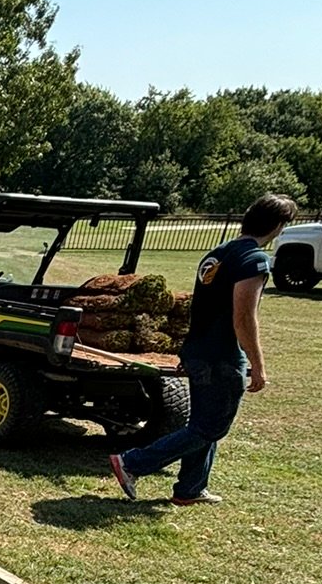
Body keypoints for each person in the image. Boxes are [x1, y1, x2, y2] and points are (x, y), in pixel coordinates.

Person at [108, 192, 298, 507]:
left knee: (202, 423)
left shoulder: (217, 254)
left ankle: (190, 489)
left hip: (199, 351)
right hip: (221, 357)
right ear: (277, 225)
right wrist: (258, 365)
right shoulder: (254, 260)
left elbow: (202, 308)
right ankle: (132, 462)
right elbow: (243, 319)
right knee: (210, 427)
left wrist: (190, 351)